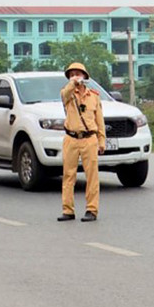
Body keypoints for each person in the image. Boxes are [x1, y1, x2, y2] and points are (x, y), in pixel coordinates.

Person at [57, 62, 106, 222]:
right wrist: (73, 83)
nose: (75, 77)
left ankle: (92, 209)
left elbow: (99, 120)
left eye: (78, 74)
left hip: (89, 138)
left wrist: (101, 140)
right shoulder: (67, 93)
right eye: (72, 75)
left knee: (92, 176)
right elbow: (65, 94)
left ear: (85, 76)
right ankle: (68, 210)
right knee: (68, 175)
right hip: (71, 138)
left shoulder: (94, 96)